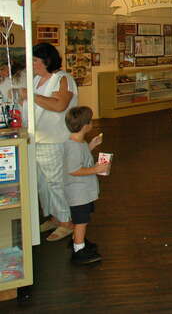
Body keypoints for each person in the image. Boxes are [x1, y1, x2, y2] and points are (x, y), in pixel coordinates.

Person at [29, 42, 79, 242]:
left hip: (54, 140)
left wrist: (31, 97)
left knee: (55, 182)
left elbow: (59, 105)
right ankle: (55, 216)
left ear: (46, 60)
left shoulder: (63, 79)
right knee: (42, 183)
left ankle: (66, 221)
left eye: (35, 61)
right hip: (37, 139)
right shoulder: (37, 79)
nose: (32, 64)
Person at [63, 106, 107, 264]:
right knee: (81, 220)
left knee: (81, 218)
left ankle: (78, 240)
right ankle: (79, 249)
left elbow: (77, 159)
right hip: (78, 193)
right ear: (85, 125)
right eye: (90, 121)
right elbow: (74, 169)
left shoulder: (77, 142)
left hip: (82, 191)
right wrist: (95, 169)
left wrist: (91, 146)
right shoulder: (74, 146)